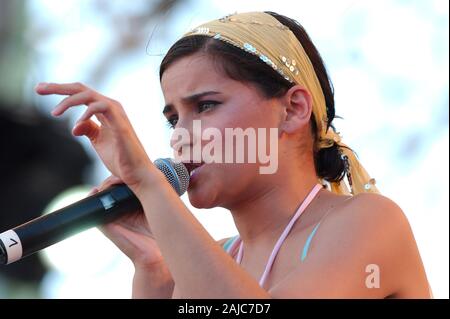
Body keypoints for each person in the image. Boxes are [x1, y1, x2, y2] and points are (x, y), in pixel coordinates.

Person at [34, 11, 431, 298]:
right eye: (174, 120)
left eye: (205, 106)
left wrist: (150, 186)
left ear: (293, 109)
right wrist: (153, 270)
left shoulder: (368, 222)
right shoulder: (209, 260)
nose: (182, 137)